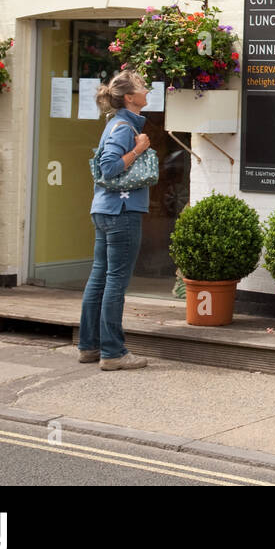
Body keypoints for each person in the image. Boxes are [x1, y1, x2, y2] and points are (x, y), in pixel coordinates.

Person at [78, 69, 153, 371]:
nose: (147, 89)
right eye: (141, 86)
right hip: (122, 213)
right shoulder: (123, 127)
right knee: (114, 282)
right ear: (130, 98)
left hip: (105, 210)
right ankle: (113, 352)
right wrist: (139, 149)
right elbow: (108, 167)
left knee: (100, 277)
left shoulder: (115, 124)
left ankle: (89, 346)